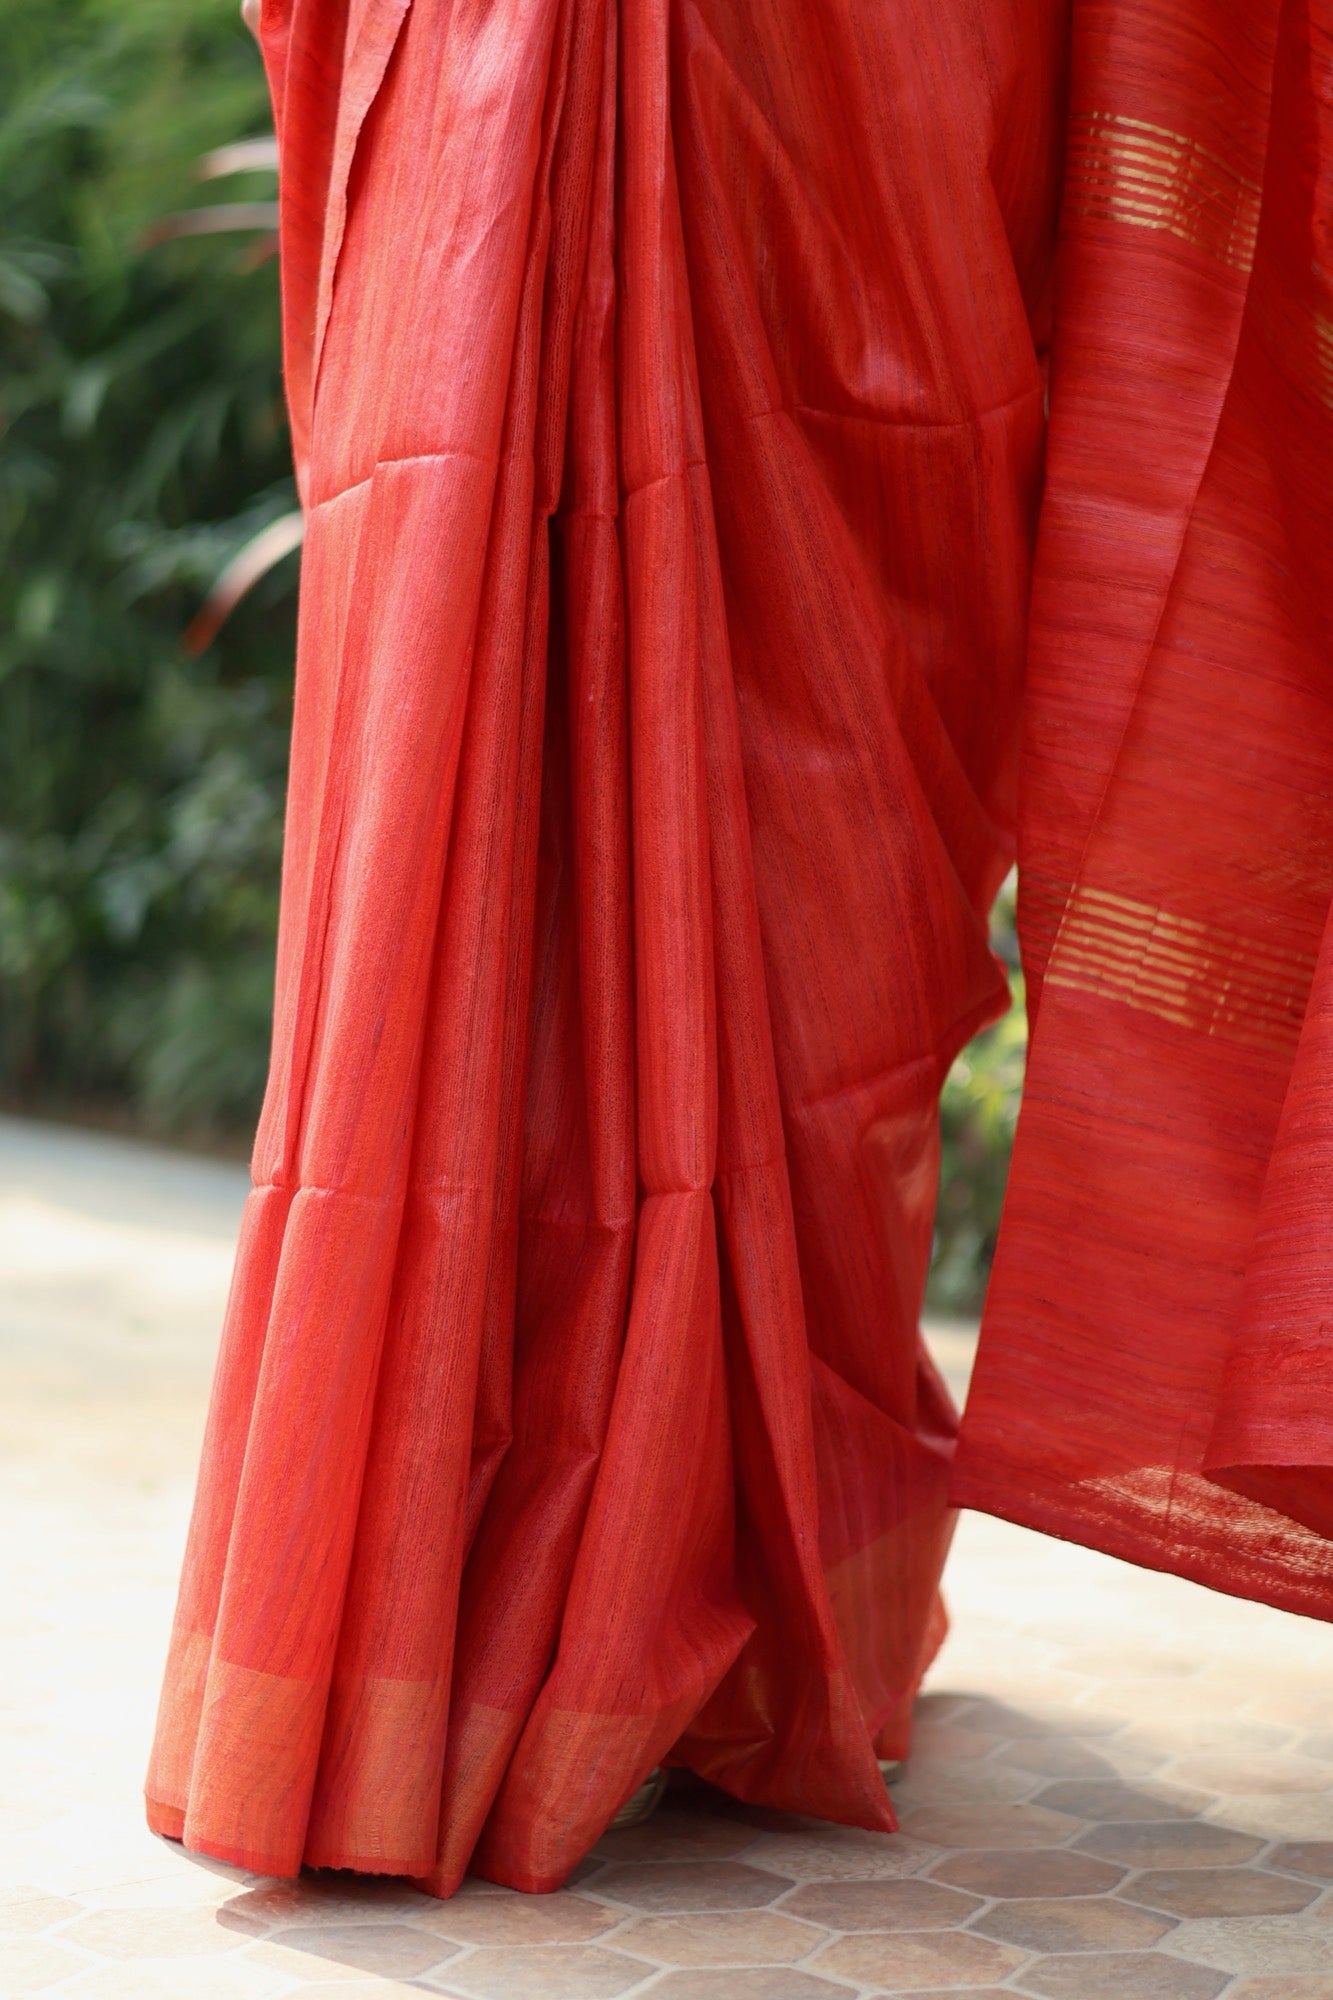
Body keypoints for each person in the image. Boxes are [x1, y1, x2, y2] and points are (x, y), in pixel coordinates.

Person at [146, 0, 1332, 1897]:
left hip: (880, 91)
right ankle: (457, 1611)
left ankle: (745, 1590)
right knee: (489, 708)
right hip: (532, 74)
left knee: (838, 844)